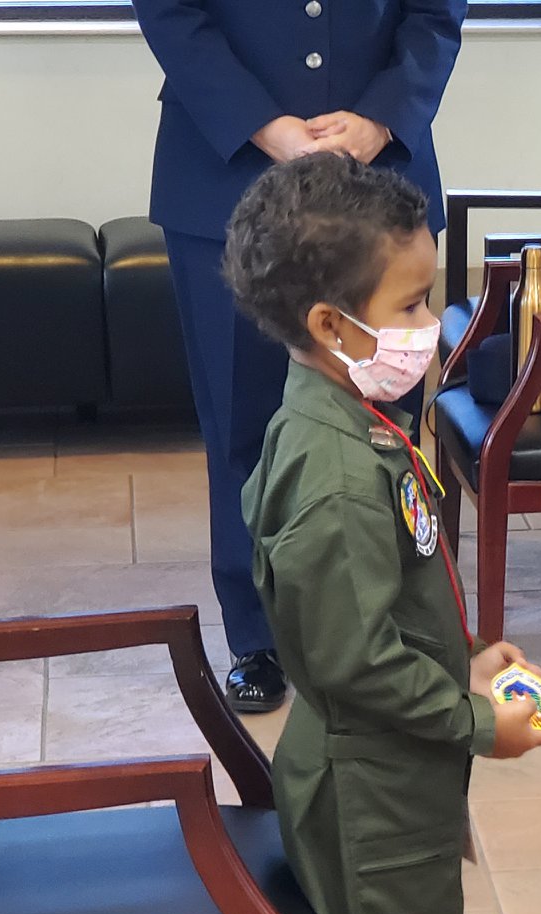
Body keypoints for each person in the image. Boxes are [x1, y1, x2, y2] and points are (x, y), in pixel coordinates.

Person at [226, 152, 541, 914]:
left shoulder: (362, 411)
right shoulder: (328, 467)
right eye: (410, 305)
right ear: (330, 322)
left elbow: (383, 608)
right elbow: (348, 663)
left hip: (393, 768)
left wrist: (462, 658)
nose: (428, 324)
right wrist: (472, 719)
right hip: (371, 782)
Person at [134, 0, 468, 713]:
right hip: (224, 168)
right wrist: (272, 129)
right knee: (241, 423)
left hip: (380, 167)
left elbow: (437, 11)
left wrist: (380, 118)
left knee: (384, 424)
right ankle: (258, 638)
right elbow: (170, 11)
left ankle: (396, 615)